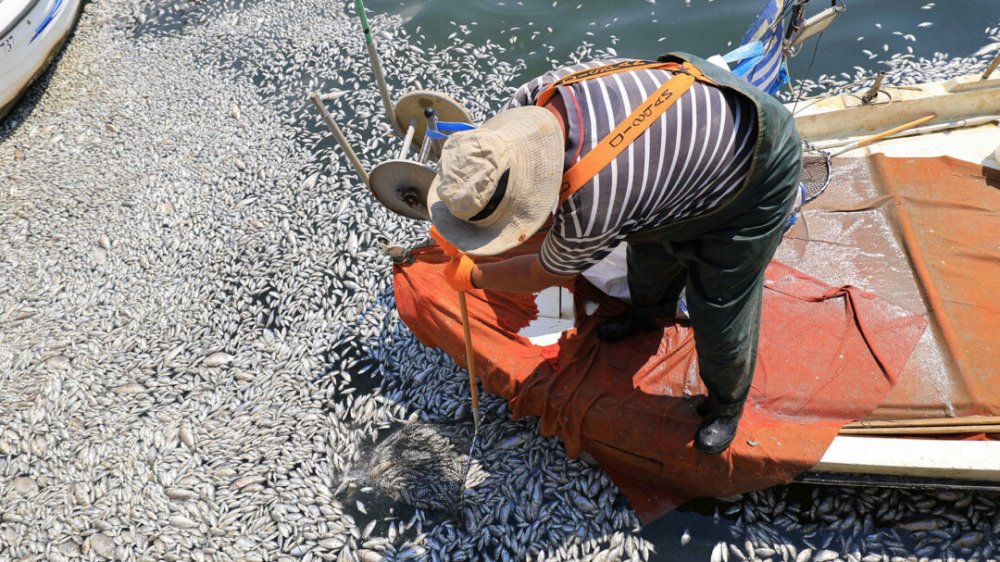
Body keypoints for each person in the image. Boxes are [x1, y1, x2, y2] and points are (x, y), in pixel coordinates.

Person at [426, 52, 802, 454]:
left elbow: (544, 270)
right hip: (674, 146)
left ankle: (727, 405)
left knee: (719, 305)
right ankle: (649, 315)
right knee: (648, 257)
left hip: (755, 165)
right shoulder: (528, 103)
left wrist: (476, 276)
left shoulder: (593, 203)